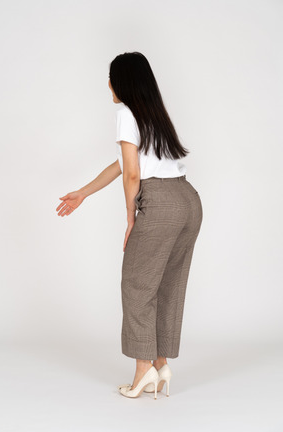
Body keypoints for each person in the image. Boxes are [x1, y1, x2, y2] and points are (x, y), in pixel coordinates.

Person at [56, 52, 203, 399]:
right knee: (168, 286)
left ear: (122, 82)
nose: (108, 84)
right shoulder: (155, 114)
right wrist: (83, 193)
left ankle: (142, 372)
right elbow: (123, 164)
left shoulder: (125, 113)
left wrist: (131, 215)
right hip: (189, 201)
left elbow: (134, 173)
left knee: (137, 285)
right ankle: (160, 363)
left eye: (111, 78)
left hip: (161, 204)